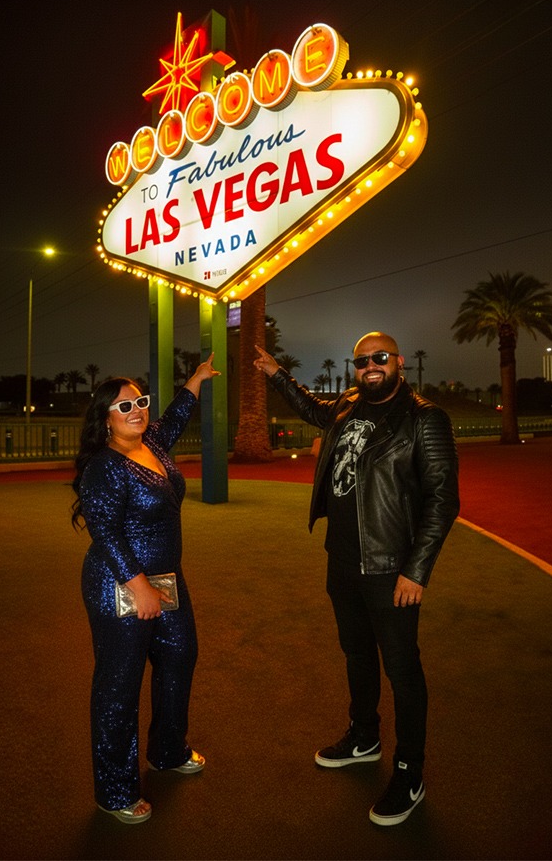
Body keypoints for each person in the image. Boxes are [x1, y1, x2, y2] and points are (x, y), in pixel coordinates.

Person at [254, 332, 459, 826]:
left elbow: (442, 500)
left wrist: (416, 570)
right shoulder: (348, 404)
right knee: (357, 654)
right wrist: (277, 374)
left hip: (391, 569)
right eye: (362, 360)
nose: (370, 366)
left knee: (403, 671)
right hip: (342, 560)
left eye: (380, 359)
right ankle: (364, 736)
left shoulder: (423, 418)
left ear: (399, 362)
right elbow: (311, 408)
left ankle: (410, 772)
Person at [71, 354, 220, 824]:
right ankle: (115, 791)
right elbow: (106, 531)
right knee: (120, 683)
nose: (136, 410)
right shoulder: (104, 466)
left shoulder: (152, 442)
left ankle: (167, 751)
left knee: (180, 655)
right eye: (123, 406)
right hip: (120, 582)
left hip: (166, 579)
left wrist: (194, 382)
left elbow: (174, 416)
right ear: (105, 419)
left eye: (140, 401)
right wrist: (139, 588)